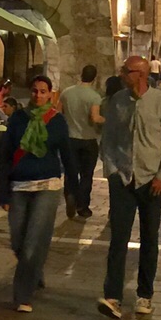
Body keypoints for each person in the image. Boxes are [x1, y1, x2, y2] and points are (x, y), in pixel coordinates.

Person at [97, 55, 161, 320]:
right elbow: (107, 140)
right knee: (118, 239)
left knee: (149, 238)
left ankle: (145, 294)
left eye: (127, 71)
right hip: (123, 178)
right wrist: (111, 171)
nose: (122, 74)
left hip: (151, 180)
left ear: (141, 75)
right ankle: (113, 296)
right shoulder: (116, 102)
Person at [0, 74, 78, 313]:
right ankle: (36, 269)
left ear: (50, 94)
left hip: (47, 186)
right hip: (19, 186)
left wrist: (74, 189)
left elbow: (68, 155)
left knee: (32, 243)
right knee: (18, 241)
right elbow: (4, 156)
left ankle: (22, 295)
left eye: (43, 91)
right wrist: (2, 192)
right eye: (34, 91)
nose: (38, 95)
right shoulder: (18, 119)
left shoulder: (57, 121)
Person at [60, 63, 104, 219]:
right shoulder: (94, 96)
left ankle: (70, 195)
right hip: (88, 139)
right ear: (94, 77)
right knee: (86, 175)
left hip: (70, 138)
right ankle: (82, 206)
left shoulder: (66, 93)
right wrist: (108, 120)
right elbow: (95, 117)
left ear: (81, 74)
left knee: (70, 172)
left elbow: (60, 112)